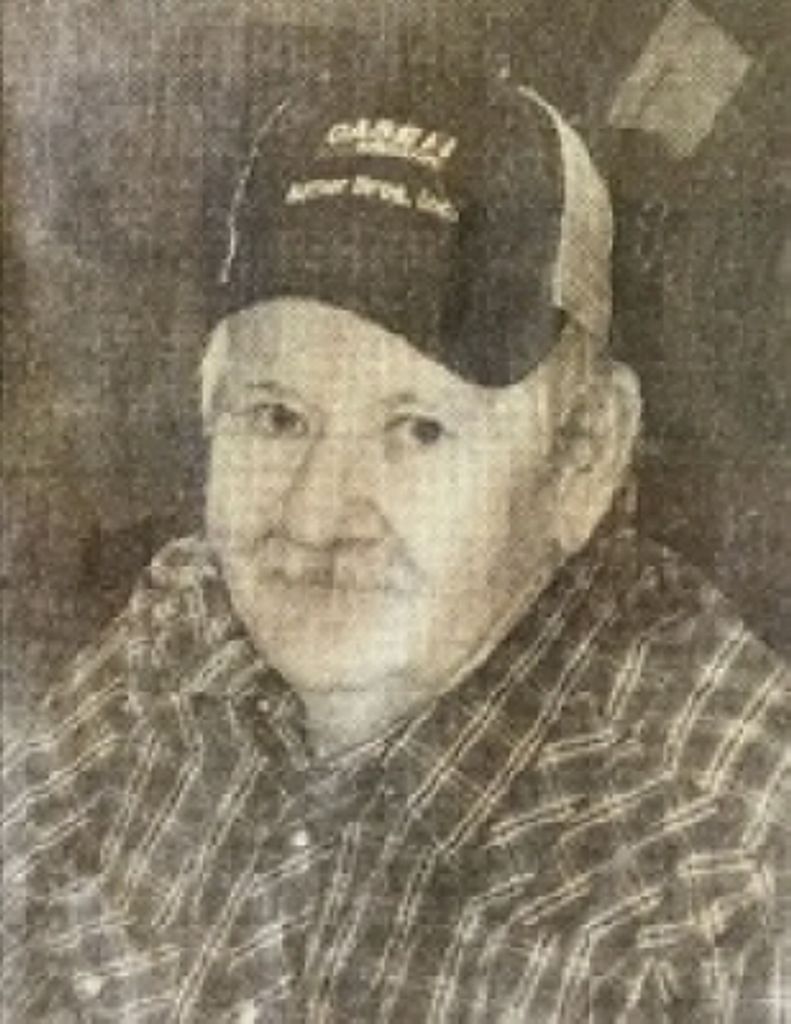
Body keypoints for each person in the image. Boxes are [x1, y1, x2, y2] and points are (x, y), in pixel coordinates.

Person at [3, 57, 789, 1023]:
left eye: (418, 429)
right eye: (277, 417)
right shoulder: (183, 626)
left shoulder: (724, 866)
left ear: (582, 455)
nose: (313, 521)